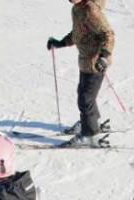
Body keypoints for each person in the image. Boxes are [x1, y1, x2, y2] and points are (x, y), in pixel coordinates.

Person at [46, 0, 115, 148]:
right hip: (85, 62)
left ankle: (90, 134)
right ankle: (93, 122)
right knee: (85, 95)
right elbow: (79, 33)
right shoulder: (77, 9)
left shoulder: (91, 11)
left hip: (96, 63)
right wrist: (60, 43)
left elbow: (108, 34)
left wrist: (104, 56)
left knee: (85, 99)